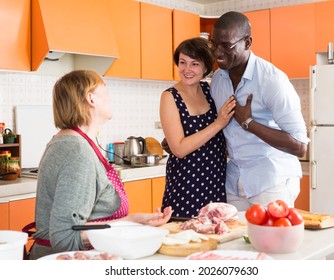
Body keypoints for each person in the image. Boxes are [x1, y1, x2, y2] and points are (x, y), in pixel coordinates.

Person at [29, 70, 172, 260]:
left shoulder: (74, 142)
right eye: (104, 90)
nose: (109, 97)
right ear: (91, 99)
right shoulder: (76, 151)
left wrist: (132, 222)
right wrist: (126, 230)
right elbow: (64, 237)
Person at [208, 11, 310, 210]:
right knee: (235, 240)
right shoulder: (218, 79)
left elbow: (299, 146)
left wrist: (249, 124)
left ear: (247, 42)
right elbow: (217, 125)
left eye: (226, 46)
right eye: (214, 44)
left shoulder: (272, 80)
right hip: (235, 180)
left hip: (271, 181)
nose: (218, 53)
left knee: (273, 240)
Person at [159, 37, 236, 218]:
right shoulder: (170, 97)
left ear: (206, 68)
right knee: (185, 239)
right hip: (186, 185)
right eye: (182, 62)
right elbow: (178, 149)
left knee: (216, 238)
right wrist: (218, 123)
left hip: (215, 180)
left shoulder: (210, 90)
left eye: (194, 64)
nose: (187, 69)